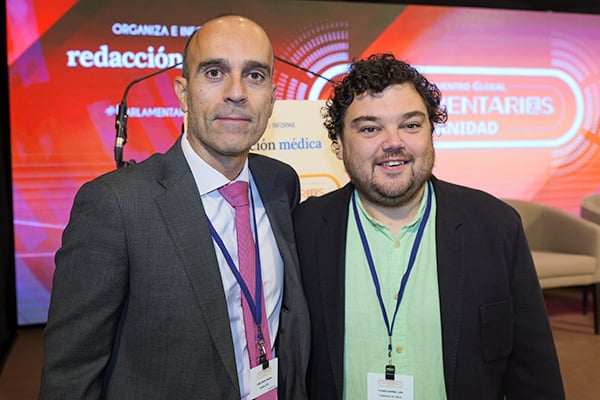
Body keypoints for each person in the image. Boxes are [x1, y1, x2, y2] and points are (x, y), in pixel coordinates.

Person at [39, 15, 309, 400]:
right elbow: (70, 376)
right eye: (215, 72)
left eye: (254, 75)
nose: (237, 92)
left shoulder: (282, 184)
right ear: (183, 93)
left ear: (273, 95)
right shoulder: (115, 204)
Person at [293, 53, 565, 400]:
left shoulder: (495, 227)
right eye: (370, 128)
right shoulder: (304, 230)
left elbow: (534, 371)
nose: (393, 142)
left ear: (431, 133)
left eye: (410, 124)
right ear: (339, 144)